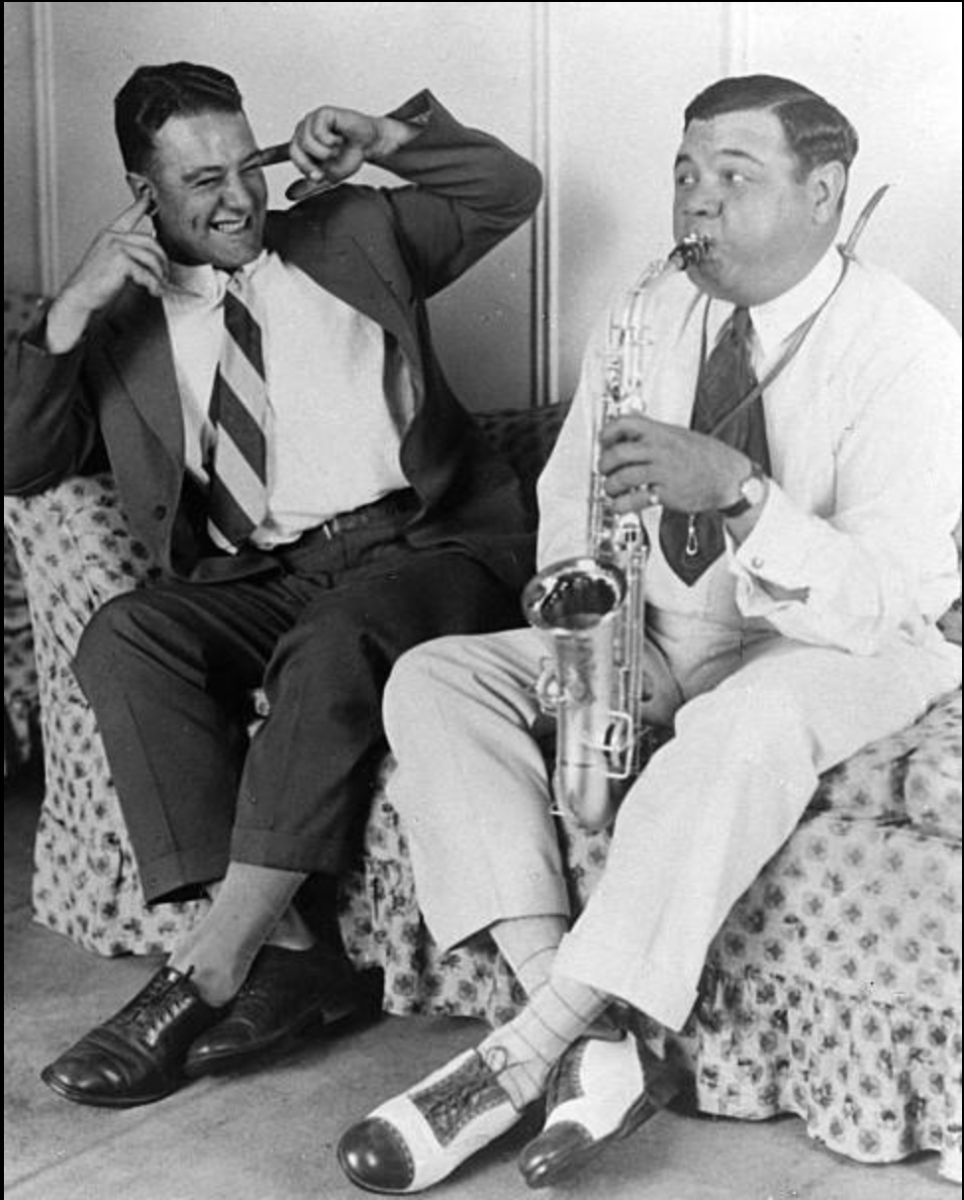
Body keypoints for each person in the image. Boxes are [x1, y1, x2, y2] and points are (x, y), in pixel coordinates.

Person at [335, 74, 962, 1193]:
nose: (695, 202)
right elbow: (572, 494)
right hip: (662, 624)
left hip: (843, 643)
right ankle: (585, 1033)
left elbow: (882, 593)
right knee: (433, 679)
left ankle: (515, 1058)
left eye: (734, 176)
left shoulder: (908, 345)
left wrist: (741, 498)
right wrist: (589, 626)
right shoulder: (646, 309)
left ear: (824, 192)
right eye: (685, 173)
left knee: (742, 726)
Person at [4, 61, 542, 1109]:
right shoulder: (122, 320)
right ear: (142, 191)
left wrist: (385, 137)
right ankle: (299, 955)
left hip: (429, 549)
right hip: (270, 572)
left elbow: (507, 191)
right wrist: (71, 308)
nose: (239, 198)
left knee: (336, 640)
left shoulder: (352, 230)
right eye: (201, 181)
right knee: (126, 635)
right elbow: (21, 464)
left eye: (245, 165)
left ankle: (208, 966)